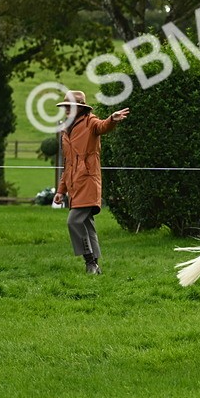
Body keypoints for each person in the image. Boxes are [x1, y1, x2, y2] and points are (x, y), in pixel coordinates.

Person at [52, 91, 130, 274]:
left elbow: (103, 126)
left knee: (74, 222)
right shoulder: (66, 130)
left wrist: (112, 119)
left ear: (80, 108)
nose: (66, 110)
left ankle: (89, 261)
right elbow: (68, 164)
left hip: (87, 183)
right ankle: (94, 266)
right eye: (65, 107)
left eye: (69, 107)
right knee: (87, 224)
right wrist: (61, 190)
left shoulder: (90, 122)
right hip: (74, 185)